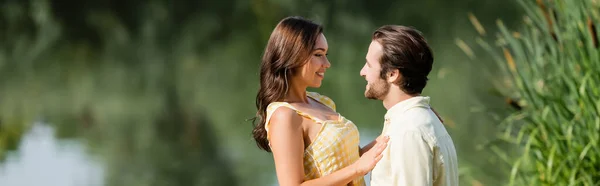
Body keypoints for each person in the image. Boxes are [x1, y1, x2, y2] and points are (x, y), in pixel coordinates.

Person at [251, 16, 389, 186]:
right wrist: (358, 169)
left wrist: (391, 131)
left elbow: (353, 162)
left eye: (326, 54)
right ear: (292, 56)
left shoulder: (322, 102)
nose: (327, 63)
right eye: (318, 55)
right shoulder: (284, 115)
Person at [359, 25, 459, 186]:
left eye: (369, 65)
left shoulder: (409, 131)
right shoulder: (415, 120)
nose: (362, 72)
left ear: (392, 74)